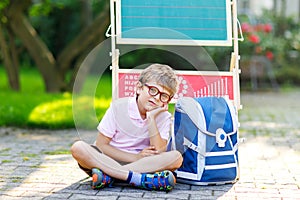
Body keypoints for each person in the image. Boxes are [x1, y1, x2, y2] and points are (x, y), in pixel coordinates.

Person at [71, 63, 183, 192]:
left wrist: (151, 118)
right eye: (153, 90)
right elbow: (102, 145)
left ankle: (110, 176)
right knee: (78, 148)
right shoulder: (118, 107)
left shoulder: (163, 116)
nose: (157, 97)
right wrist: (135, 157)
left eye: (164, 96)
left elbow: (158, 151)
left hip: (143, 165)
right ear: (139, 88)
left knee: (176, 158)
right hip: (110, 159)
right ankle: (138, 179)